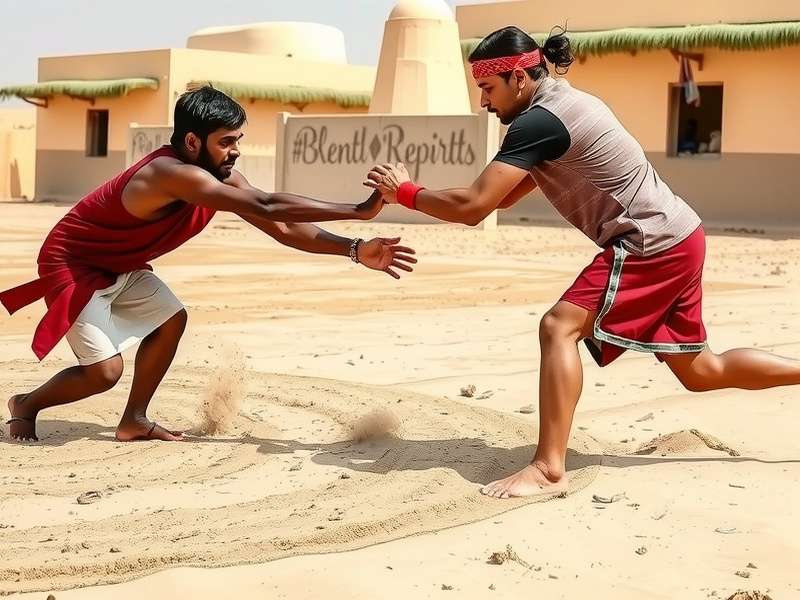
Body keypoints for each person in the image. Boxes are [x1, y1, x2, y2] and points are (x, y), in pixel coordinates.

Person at [364, 26, 800, 499]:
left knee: (559, 327)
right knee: (701, 371)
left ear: (518, 78)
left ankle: (549, 469)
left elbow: (473, 207)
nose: (484, 102)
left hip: (648, 240)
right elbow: (499, 199)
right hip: (681, 235)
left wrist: (406, 192)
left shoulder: (540, 121)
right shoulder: (559, 106)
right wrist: (412, 193)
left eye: (488, 88)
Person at [2, 86, 416, 442]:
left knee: (171, 320)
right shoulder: (168, 173)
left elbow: (283, 227)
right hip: (73, 264)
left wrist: (354, 249)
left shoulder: (220, 176)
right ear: (192, 141)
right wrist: (360, 210)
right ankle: (25, 404)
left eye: (238, 140)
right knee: (104, 373)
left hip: (121, 262)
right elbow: (267, 204)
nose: (236, 150)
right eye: (226, 141)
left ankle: (134, 420)